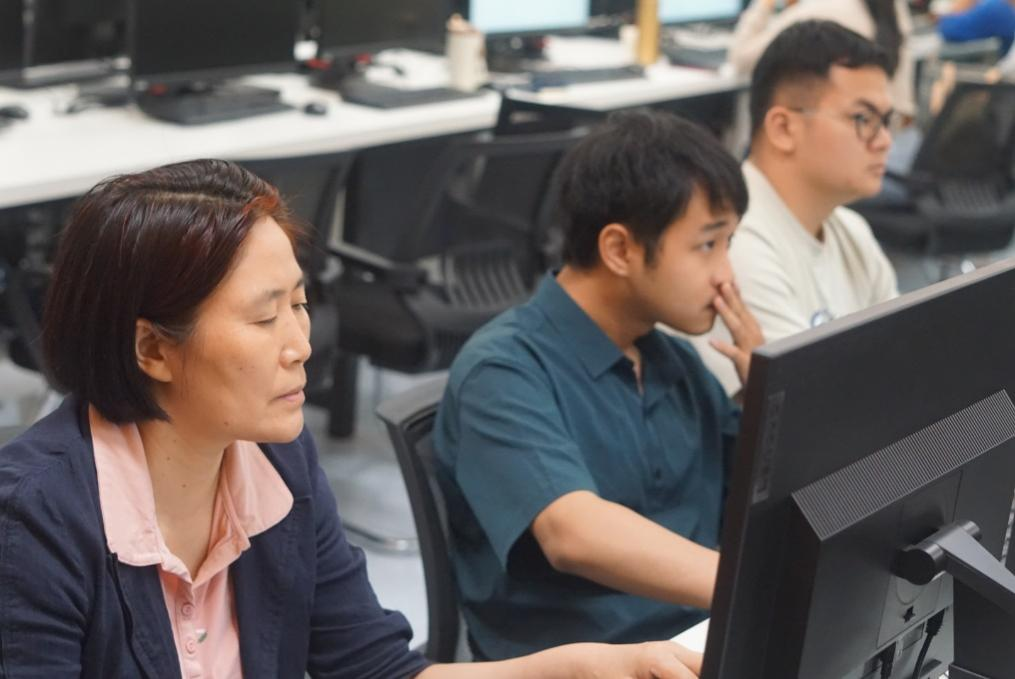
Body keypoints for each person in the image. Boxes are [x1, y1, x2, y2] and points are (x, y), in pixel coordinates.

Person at [0, 159, 703, 678]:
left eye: (300, 305)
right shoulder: (34, 521)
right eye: (265, 318)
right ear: (152, 348)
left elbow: (375, 669)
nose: (301, 345)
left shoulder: (276, 463)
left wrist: (584, 667)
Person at [433, 110, 763, 661]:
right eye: (708, 245)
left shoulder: (673, 359)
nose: (725, 274)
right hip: (583, 664)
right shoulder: (504, 369)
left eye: (728, 243)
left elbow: (760, 499)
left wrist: (768, 400)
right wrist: (751, 589)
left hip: (696, 641)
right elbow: (574, 533)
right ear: (619, 250)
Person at [695, 21, 900, 395]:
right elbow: (811, 404)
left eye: (885, 121)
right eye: (863, 119)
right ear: (783, 128)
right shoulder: (733, 244)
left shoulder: (851, 230)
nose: (885, 140)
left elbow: (905, 362)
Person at [730, 0, 917, 120]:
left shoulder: (819, 9)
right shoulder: (891, 8)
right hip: (881, 134)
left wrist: (764, 4)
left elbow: (741, 58)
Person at [936, 0, 1015, 56]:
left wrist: (956, 9)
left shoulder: (997, 8)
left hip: (978, 62)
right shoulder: (1001, 8)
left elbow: (948, 29)